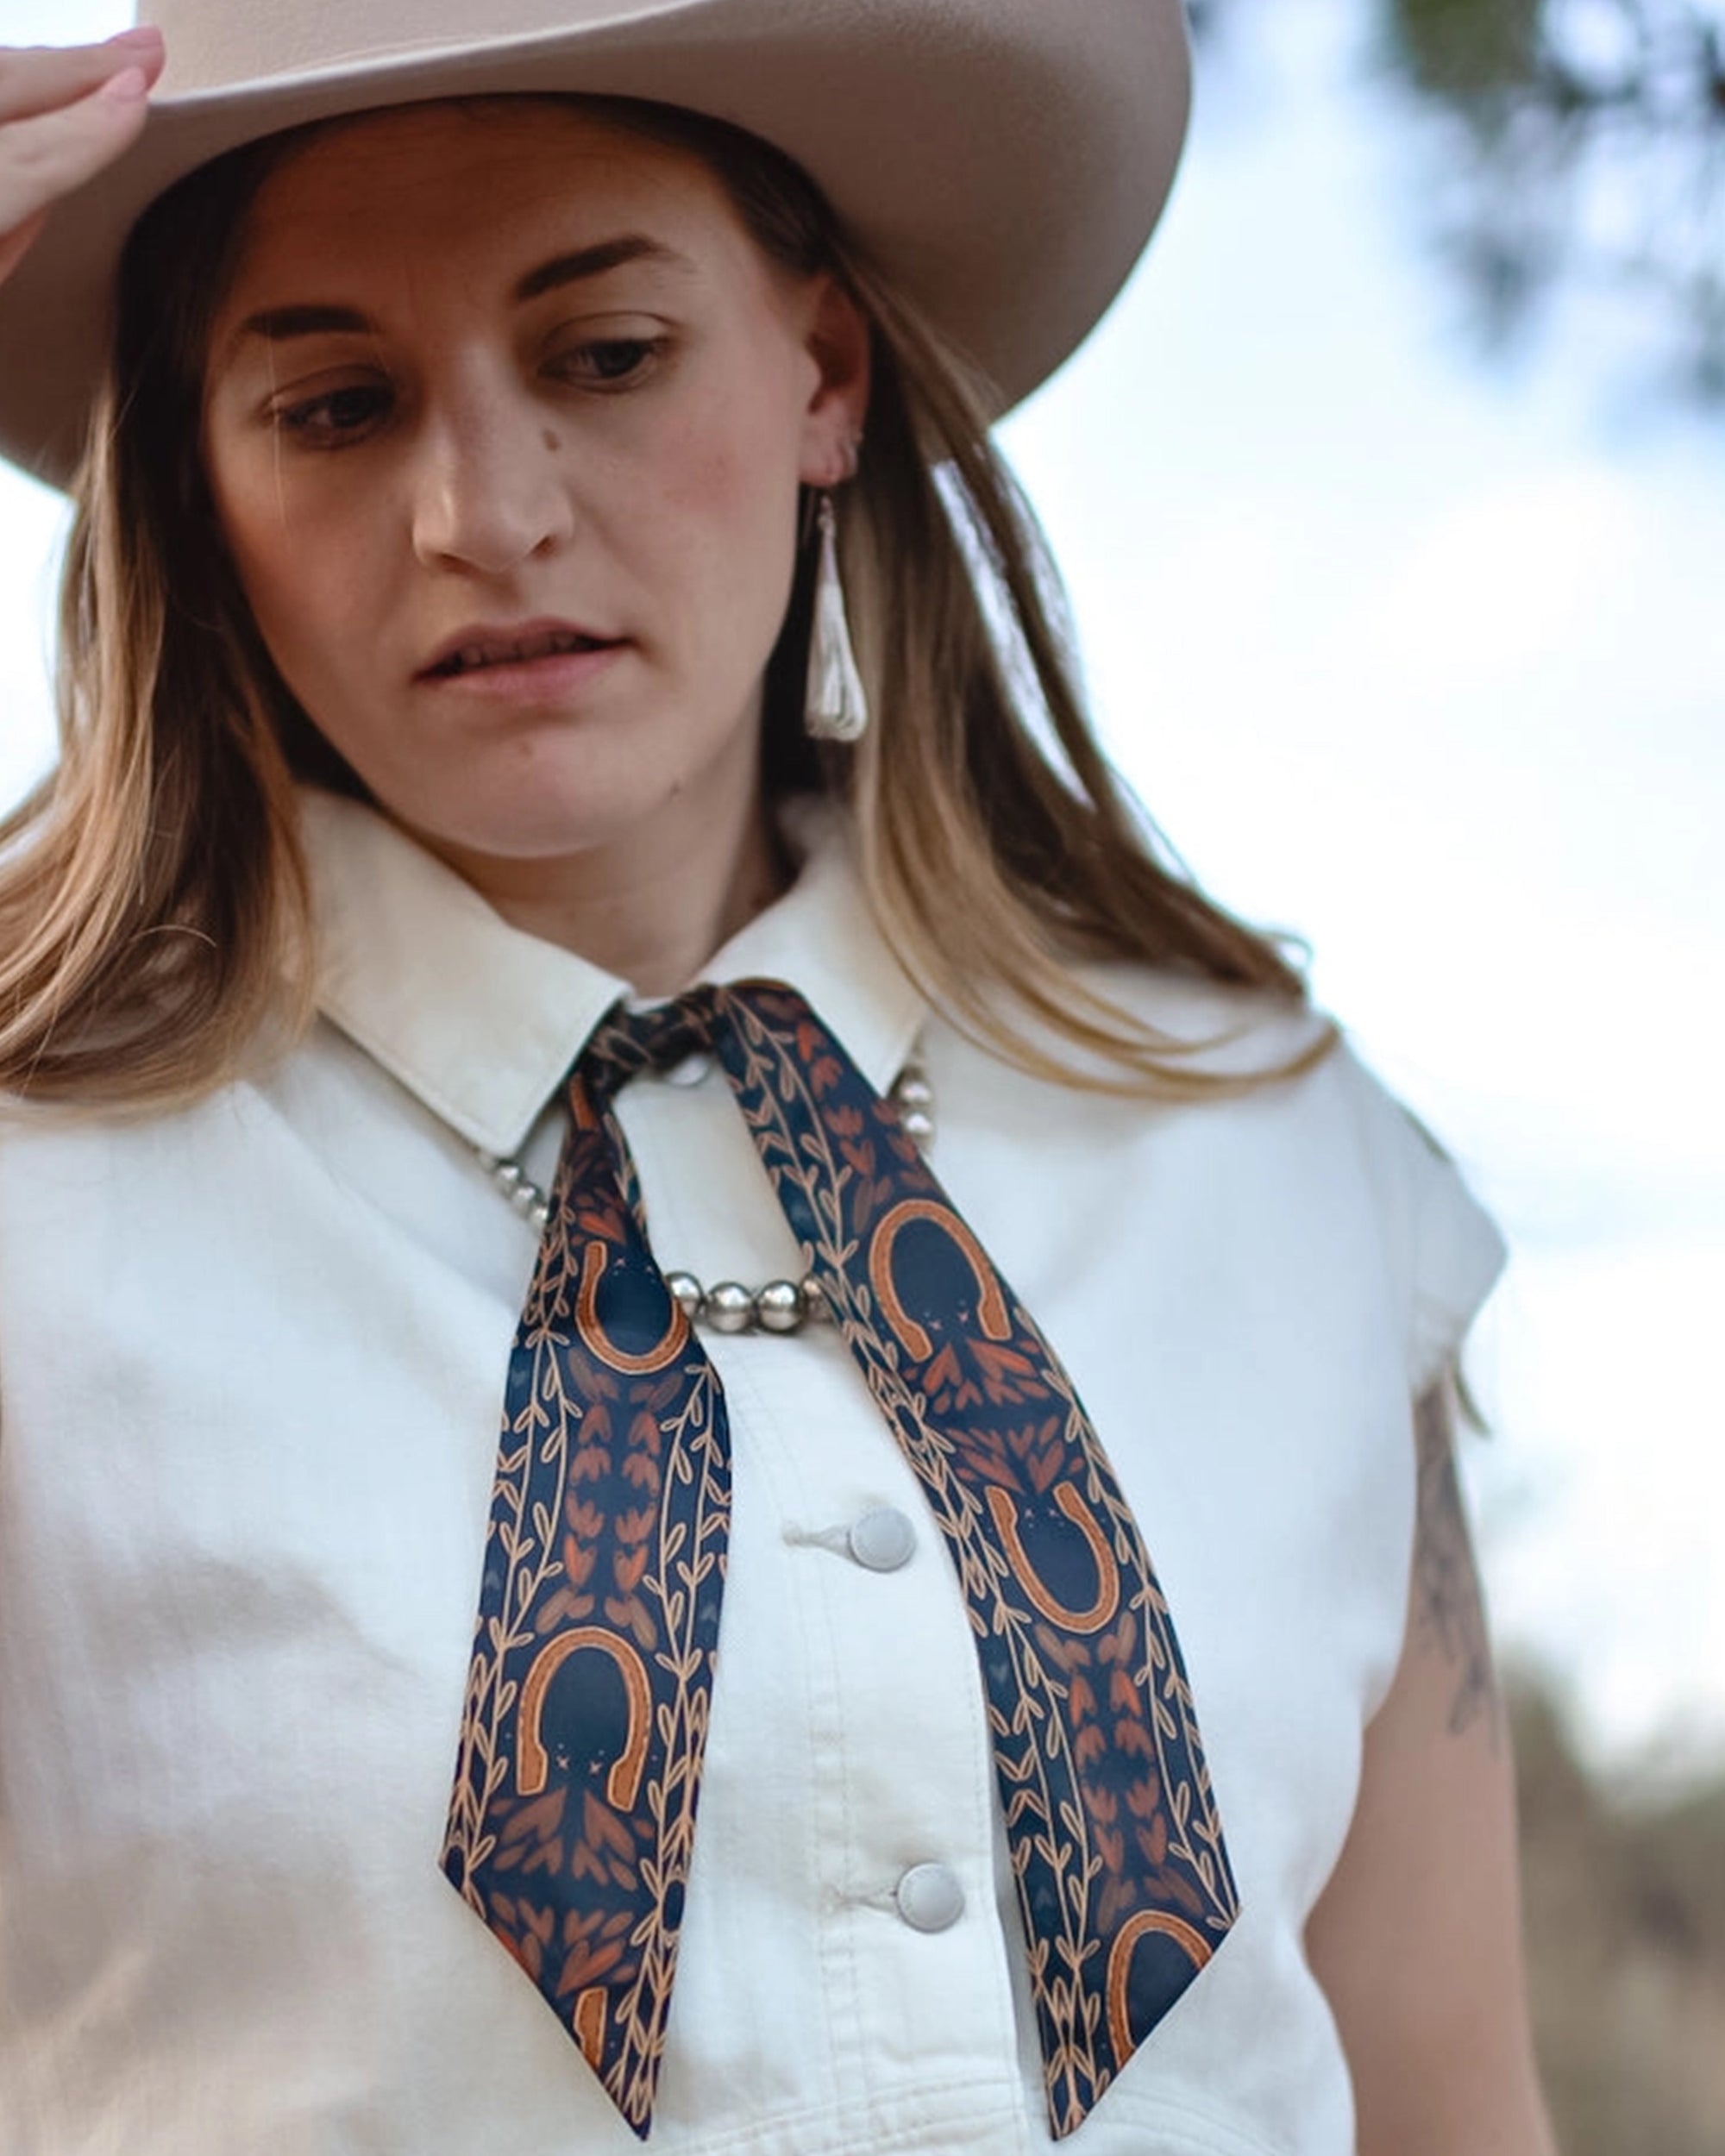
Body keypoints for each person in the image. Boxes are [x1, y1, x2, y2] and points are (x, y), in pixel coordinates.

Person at [0, 5, 1559, 2152]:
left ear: (823, 372)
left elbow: (1450, 2105)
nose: (484, 513)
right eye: (336, 406)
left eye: (604, 354)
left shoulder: (1277, 1152)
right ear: (201, 479)